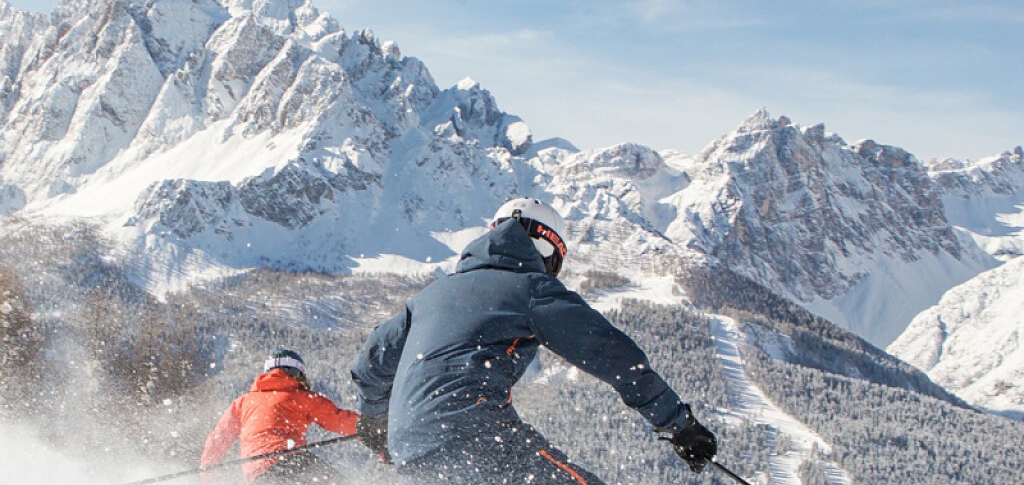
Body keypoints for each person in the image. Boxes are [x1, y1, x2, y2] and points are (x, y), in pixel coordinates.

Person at [350, 197, 717, 484]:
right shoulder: (531, 288)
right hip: (472, 433)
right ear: (547, 251)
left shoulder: (430, 295)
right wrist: (678, 424)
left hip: (410, 451)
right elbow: (612, 354)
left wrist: (377, 423)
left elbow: (371, 364)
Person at [201, 349, 359, 485]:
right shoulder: (300, 397)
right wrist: (373, 429)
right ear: (299, 374)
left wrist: (207, 473)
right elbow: (338, 420)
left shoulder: (243, 402)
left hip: (257, 476)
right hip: (290, 461)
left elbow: (218, 438)